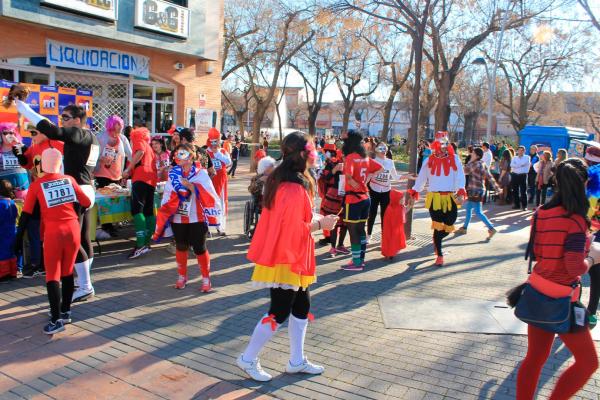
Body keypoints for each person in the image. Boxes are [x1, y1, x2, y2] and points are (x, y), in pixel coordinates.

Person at [236, 131, 338, 382]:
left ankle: (296, 360)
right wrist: (322, 222)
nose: (315, 154)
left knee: (302, 306)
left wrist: (318, 220)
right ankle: (247, 358)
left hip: (291, 253)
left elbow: (295, 219)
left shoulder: (285, 179)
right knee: (279, 311)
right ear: (303, 154)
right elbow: (295, 226)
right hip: (287, 255)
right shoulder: (291, 185)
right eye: (312, 150)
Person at [515, 158, 599, 400]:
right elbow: (574, 268)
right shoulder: (576, 221)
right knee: (588, 363)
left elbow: (539, 253)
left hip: (537, 291)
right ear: (584, 184)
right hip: (562, 299)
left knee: (534, 359)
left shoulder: (541, 214)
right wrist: (592, 258)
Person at [16, 100, 99, 303]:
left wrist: (25, 109)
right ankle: (83, 282)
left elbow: (52, 131)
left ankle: (85, 285)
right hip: (84, 189)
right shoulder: (89, 137)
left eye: (66, 118)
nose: (62, 121)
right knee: (82, 238)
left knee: (75, 240)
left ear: (78, 121)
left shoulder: (80, 134)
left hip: (79, 189)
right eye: (61, 118)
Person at [14, 148, 92, 334]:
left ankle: (56, 320)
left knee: (52, 276)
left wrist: (18, 240)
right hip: (72, 230)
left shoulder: (37, 185)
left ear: (42, 164)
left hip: (53, 232)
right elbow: (87, 202)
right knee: (66, 272)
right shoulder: (69, 180)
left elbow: (25, 215)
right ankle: (65, 311)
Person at [152, 143, 222, 292]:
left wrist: (192, 187)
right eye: (177, 154)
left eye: (182, 153)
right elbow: (168, 194)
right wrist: (167, 208)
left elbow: (210, 195)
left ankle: (205, 279)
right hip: (178, 217)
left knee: (199, 248)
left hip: (197, 217)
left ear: (191, 157)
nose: (178, 156)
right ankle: (182, 277)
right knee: (181, 246)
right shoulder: (174, 174)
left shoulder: (201, 173)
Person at [408, 131, 466, 266]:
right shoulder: (428, 160)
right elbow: (422, 178)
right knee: (438, 227)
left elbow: (460, 176)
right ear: (435, 144)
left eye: (445, 143)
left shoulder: (455, 158)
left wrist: (461, 190)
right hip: (435, 198)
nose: (442, 146)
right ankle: (439, 255)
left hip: (450, 197)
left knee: (450, 224)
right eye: (440, 143)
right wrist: (414, 192)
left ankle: (436, 242)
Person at [341, 130, 383, 271]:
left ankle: (357, 263)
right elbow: (380, 168)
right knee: (361, 230)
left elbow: (348, 177)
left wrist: (356, 186)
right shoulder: (365, 157)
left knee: (353, 231)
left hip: (353, 198)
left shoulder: (351, 158)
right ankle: (360, 259)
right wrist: (366, 180)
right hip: (366, 198)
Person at [122, 127, 157, 259]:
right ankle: (146, 243)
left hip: (141, 178)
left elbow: (139, 153)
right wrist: (129, 173)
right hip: (151, 179)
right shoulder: (150, 147)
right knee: (148, 211)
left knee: (138, 210)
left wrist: (128, 169)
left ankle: (140, 245)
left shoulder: (138, 140)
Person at [95, 115, 132, 239]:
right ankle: (107, 227)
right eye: (115, 128)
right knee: (105, 201)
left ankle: (114, 224)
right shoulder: (100, 137)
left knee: (115, 200)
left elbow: (130, 154)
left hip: (117, 173)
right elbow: (93, 155)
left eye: (119, 128)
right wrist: (101, 159)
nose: (117, 131)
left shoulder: (122, 138)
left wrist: (129, 169)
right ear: (109, 127)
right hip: (102, 173)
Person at [455, 148, 501, 239]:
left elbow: (464, 171)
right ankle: (464, 227)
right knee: (468, 209)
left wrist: (469, 161)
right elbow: (489, 176)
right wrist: (497, 188)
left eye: (473, 153)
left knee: (478, 212)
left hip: (474, 190)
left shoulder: (473, 164)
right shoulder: (482, 163)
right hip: (479, 190)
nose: (471, 154)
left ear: (477, 156)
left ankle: (491, 228)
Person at [317, 146, 348, 258]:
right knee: (334, 221)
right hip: (335, 195)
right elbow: (325, 177)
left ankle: (340, 245)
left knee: (345, 223)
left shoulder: (353, 165)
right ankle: (333, 247)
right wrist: (335, 169)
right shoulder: (332, 163)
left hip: (348, 195)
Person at [367, 142, 400, 242]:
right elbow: (367, 176)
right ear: (376, 150)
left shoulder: (390, 162)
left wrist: (408, 176)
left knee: (385, 214)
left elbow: (396, 176)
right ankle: (369, 234)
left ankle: (384, 235)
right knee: (372, 213)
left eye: (385, 148)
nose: (384, 151)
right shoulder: (372, 161)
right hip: (374, 190)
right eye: (381, 149)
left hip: (386, 191)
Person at [206, 128, 232, 235]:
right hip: (209, 181)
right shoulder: (206, 151)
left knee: (221, 203)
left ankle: (220, 227)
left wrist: (217, 154)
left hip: (221, 180)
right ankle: (206, 227)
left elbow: (229, 162)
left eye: (216, 141)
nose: (214, 144)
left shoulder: (222, 151)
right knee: (208, 202)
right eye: (212, 141)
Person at [0, 122, 29, 200]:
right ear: (0, 135)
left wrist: (18, 143)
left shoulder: (19, 147)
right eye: (5, 133)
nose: (9, 135)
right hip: (4, 193)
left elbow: (28, 160)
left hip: (23, 190)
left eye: (11, 133)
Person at [0, 180, 18, 281]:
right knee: (11, 252)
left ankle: (4, 274)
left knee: (2, 253)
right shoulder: (11, 202)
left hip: (2, 232)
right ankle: (12, 272)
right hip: (12, 230)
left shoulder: (1, 203)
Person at [510, 146, 531, 211]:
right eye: (519, 150)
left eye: (522, 150)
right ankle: (517, 205)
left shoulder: (527, 157)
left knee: (523, 191)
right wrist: (519, 165)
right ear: (517, 151)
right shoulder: (514, 157)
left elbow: (523, 163)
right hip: (514, 175)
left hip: (523, 175)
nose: (520, 152)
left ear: (524, 151)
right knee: (515, 191)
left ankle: (524, 206)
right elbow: (511, 165)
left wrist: (516, 165)